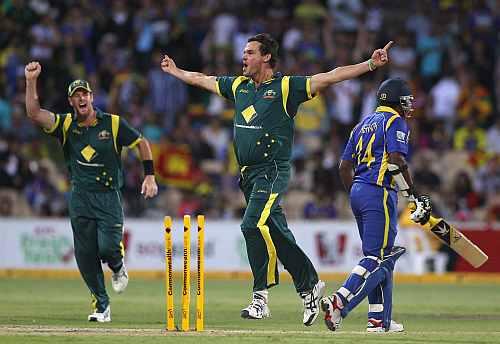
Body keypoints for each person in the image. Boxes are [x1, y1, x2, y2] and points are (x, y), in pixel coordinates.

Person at [160, 33, 393, 326]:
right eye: (243, 52)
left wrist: (369, 65)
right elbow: (202, 79)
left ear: (266, 56)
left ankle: (260, 297)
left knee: (251, 223)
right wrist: (176, 71)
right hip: (248, 175)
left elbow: (330, 77)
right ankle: (309, 286)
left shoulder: (285, 87)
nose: (243, 57)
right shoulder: (238, 86)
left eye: (249, 52)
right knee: (278, 233)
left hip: (272, 170)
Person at [24, 61, 158, 323]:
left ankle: (118, 267)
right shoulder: (65, 125)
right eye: (76, 95)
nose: (81, 98)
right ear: (71, 102)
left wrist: (150, 176)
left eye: (84, 93)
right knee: (85, 256)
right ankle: (102, 305)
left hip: (108, 196)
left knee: (108, 248)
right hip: (80, 198)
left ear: (92, 97)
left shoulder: (114, 124)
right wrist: (31, 81)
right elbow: (34, 113)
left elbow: (141, 142)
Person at [320, 78, 432, 332]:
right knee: (379, 258)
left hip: (359, 190)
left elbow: (343, 167)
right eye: (406, 100)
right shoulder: (395, 121)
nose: (408, 105)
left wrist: (357, 192)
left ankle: (378, 320)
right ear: (395, 100)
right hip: (379, 192)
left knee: (379, 255)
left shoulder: (361, 125)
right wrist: (414, 197)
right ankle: (339, 301)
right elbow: (396, 161)